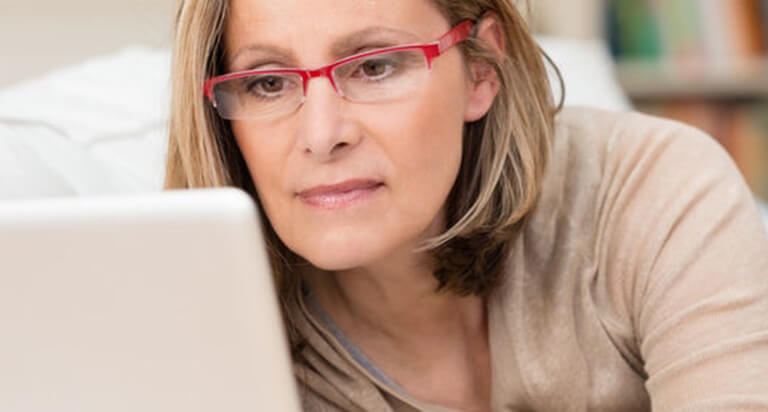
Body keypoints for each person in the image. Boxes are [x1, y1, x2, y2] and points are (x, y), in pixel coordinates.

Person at [164, 0, 768, 410]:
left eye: (374, 66)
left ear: (480, 70)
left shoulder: (651, 189)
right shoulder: (214, 336)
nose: (322, 134)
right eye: (267, 82)